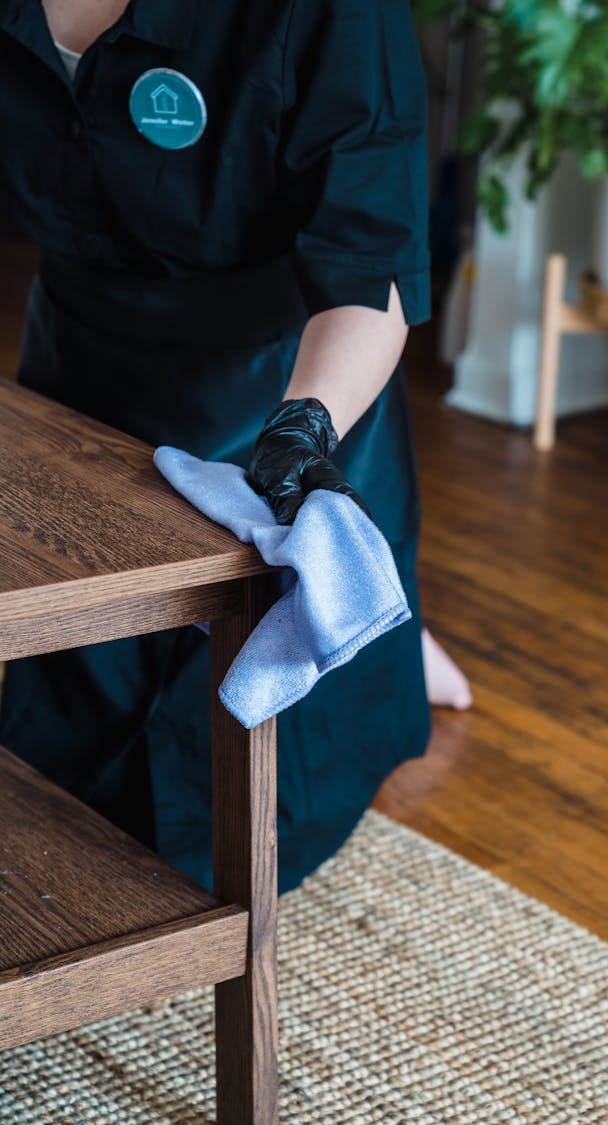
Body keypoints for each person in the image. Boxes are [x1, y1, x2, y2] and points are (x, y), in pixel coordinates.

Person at [0, 0, 466, 894]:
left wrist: (303, 429)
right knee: (57, 782)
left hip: (278, 383)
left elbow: (371, 268)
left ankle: (396, 637)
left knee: (219, 830)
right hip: (79, 372)